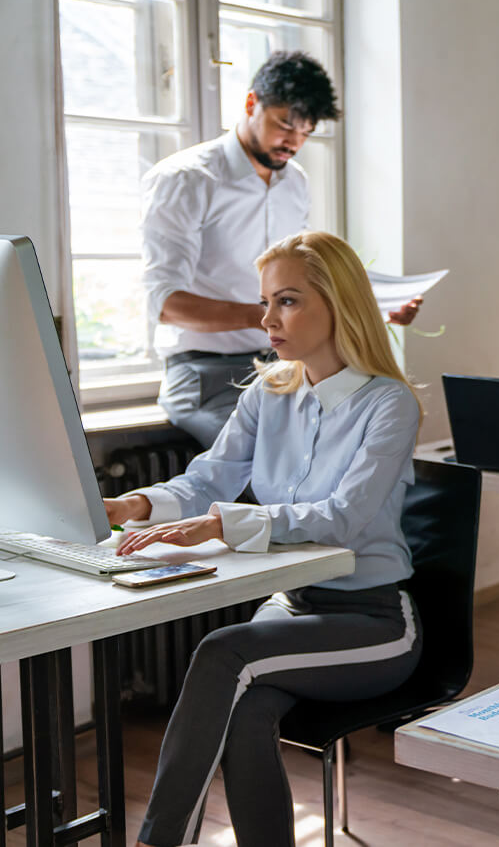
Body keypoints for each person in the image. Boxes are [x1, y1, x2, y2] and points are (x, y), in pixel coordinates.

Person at [107, 231, 423, 847]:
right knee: (244, 714)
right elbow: (209, 478)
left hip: (375, 621)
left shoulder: (390, 404)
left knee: (222, 652)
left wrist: (225, 523)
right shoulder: (268, 392)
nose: (267, 320)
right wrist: (134, 504)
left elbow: (341, 517)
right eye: (265, 302)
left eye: (287, 301)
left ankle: (156, 842)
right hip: (292, 608)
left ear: (339, 303)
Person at [141, 51, 421, 448]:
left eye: (306, 131)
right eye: (285, 125)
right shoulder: (186, 179)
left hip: (287, 364)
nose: (294, 142)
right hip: (204, 374)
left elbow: (302, 280)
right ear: (251, 103)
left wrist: (370, 307)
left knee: (372, 433)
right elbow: (166, 304)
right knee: (281, 458)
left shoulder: (295, 183)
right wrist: (270, 317)